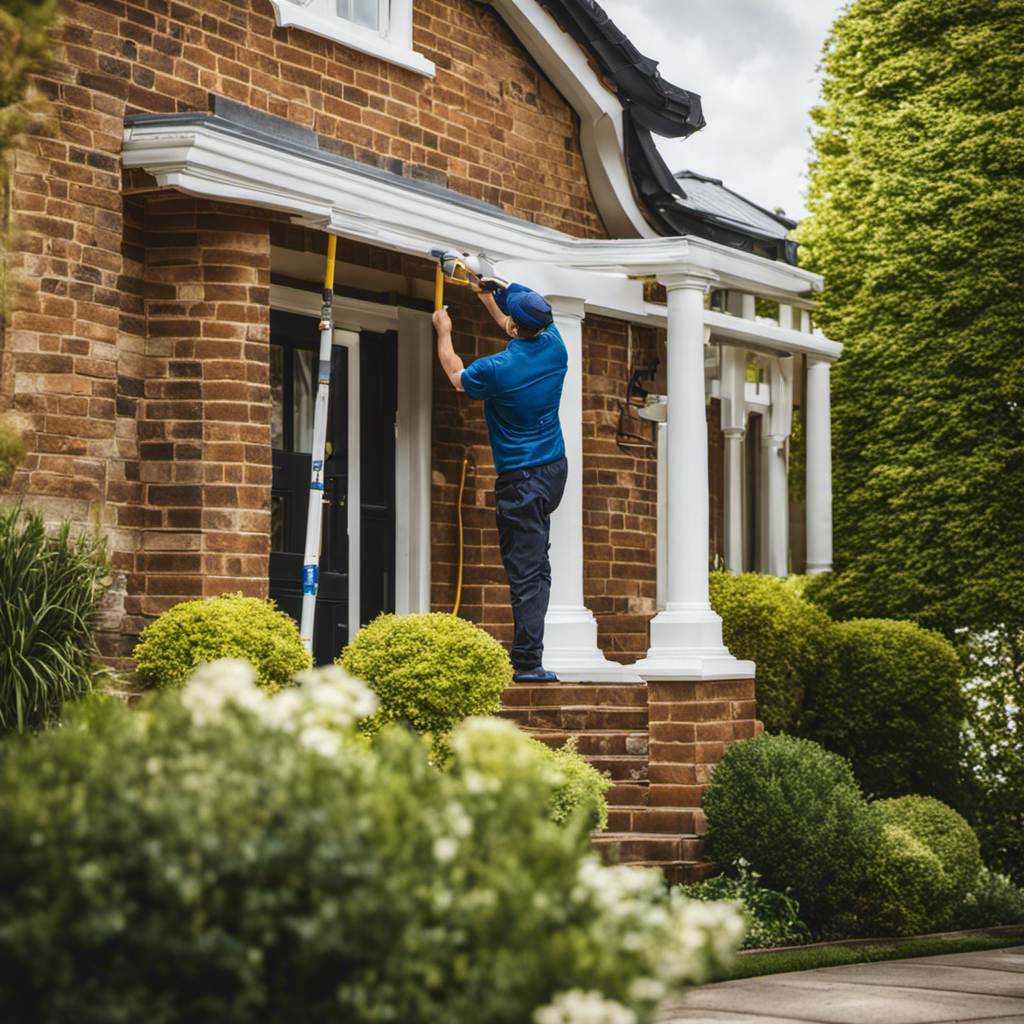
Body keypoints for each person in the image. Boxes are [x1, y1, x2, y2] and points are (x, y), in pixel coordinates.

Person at [432, 275, 568, 683]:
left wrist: (445, 331)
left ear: (513, 326)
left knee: (525, 573)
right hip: (553, 471)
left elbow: (456, 377)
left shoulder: (498, 370)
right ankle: (531, 646)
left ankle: (527, 663)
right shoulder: (555, 345)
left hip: (521, 482)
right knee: (538, 568)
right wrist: (488, 291)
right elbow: (512, 318)